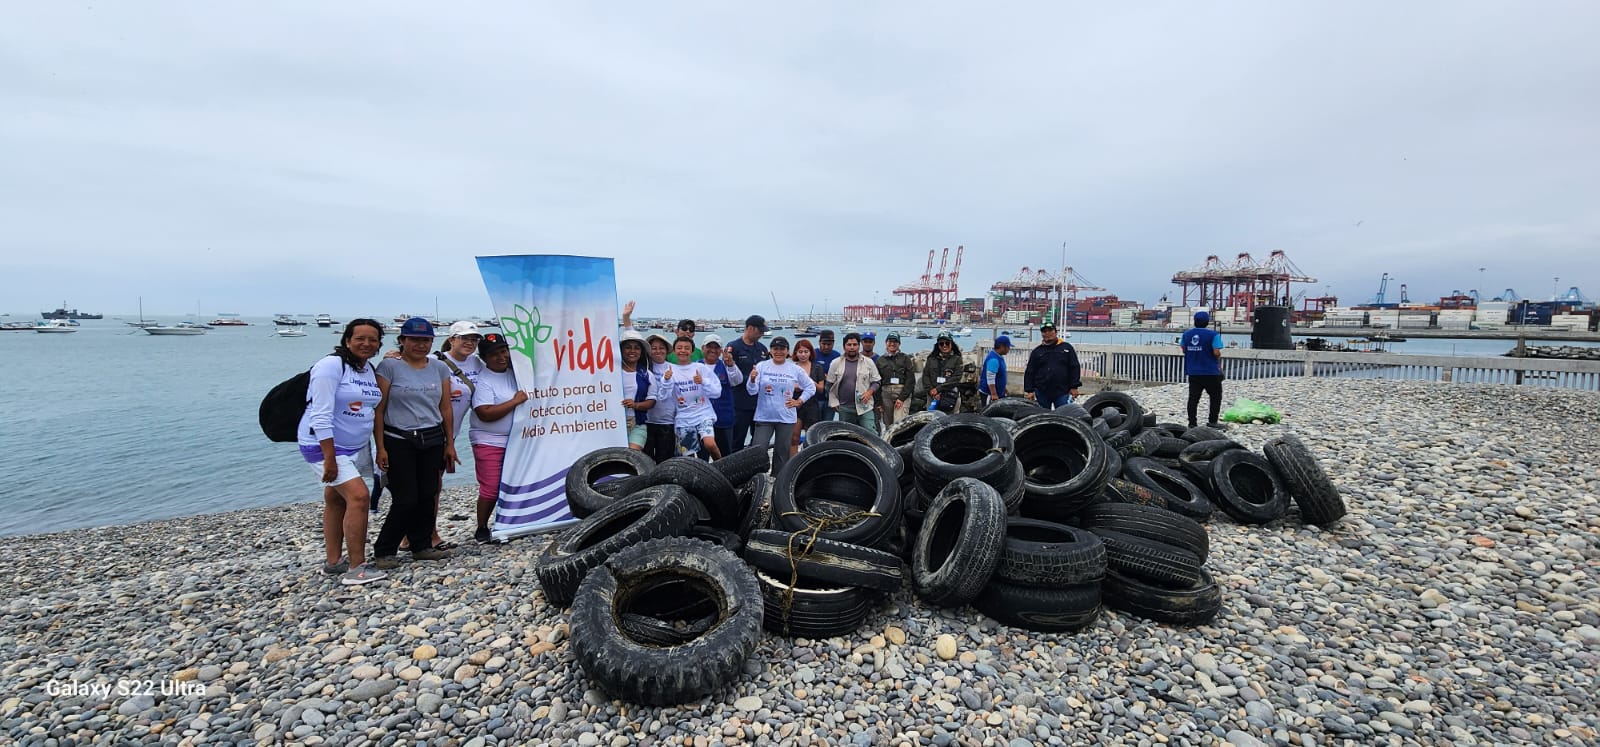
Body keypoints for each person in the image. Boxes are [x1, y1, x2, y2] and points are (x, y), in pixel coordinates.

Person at [299, 318, 387, 585]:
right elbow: (320, 415)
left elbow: (371, 411)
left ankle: (333, 562)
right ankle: (357, 568)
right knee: (359, 497)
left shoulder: (367, 369)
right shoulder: (330, 366)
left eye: (373, 340)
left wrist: (378, 448)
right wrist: (328, 458)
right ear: (347, 340)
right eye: (360, 338)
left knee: (336, 499)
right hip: (324, 444)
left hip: (355, 446)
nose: (366, 344)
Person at [373, 318, 457, 568]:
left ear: (432, 341)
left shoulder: (439, 368)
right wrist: (380, 447)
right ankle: (385, 549)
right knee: (405, 498)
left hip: (432, 438)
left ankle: (421, 546)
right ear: (402, 341)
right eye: (415, 340)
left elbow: (445, 407)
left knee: (427, 495)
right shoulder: (389, 366)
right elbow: (379, 409)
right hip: (399, 439)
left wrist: (449, 443)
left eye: (426, 340)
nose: (420, 345)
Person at [468, 333, 523, 543]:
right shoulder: (484, 380)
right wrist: (514, 402)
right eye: (494, 354)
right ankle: (481, 526)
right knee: (490, 489)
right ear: (484, 358)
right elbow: (485, 413)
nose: (501, 357)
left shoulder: (516, 373)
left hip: (517, 440)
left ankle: (508, 522)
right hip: (488, 440)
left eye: (503, 351)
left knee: (513, 484)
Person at [747, 336, 815, 477]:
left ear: (788, 351)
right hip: (764, 416)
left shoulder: (794, 369)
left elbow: (810, 387)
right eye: (775, 349)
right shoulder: (761, 366)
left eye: (782, 349)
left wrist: (799, 401)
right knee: (758, 450)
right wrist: (752, 379)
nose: (779, 352)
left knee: (782, 452)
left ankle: (777, 480)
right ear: (770, 351)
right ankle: (756, 479)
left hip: (786, 417)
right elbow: (751, 391)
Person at [661, 336, 723, 458]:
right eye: (679, 348)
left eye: (686, 348)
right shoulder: (670, 370)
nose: (683, 351)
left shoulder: (700, 368)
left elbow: (717, 392)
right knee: (688, 454)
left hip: (703, 413)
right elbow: (663, 397)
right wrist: (666, 380)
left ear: (692, 351)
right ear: (674, 350)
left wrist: (703, 381)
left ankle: (723, 468)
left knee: (710, 444)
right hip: (684, 417)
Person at [726, 315, 770, 453]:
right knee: (737, 439)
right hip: (740, 402)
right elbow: (730, 374)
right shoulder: (734, 347)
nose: (762, 334)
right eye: (760, 331)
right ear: (750, 328)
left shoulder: (762, 349)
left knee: (758, 440)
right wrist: (751, 380)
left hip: (759, 402)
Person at [825, 332, 882, 432]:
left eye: (855, 345)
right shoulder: (836, 363)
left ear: (859, 346)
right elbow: (829, 385)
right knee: (846, 436)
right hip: (844, 408)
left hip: (865, 407)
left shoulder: (868, 362)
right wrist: (834, 402)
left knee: (871, 433)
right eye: (849, 345)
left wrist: (869, 392)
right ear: (844, 347)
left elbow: (876, 381)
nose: (852, 347)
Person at [701, 334, 743, 459]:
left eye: (716, 347)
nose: (713, 350)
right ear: (703, 348)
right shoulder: (696, 366)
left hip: (723, 418)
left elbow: (737, 381)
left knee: (725, 455)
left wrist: (731, 364)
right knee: (701, 456)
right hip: (701, 419)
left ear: (721, 350)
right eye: (709, 347)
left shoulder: (726, 366)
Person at [1022, 323, 1082, 409]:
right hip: (1041, 391)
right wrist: (1029, 390)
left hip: (1063, 391)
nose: (1047, 333)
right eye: (1044, 331)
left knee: (1063, 415)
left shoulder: (1067, 348)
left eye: (1050, 331)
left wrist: (1074, 386)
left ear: (1055, 332)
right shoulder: (1037, 351)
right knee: (1043, 416)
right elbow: (1030, 372)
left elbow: (1074, 367)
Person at [1183, 311, 1226, 427]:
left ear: (1194, 321)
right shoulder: (1213, 335)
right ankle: (1212, 421)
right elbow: (1216, 352)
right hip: (1210, 371)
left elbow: (1183, 349)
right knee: (1215, 396)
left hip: (1193, 371)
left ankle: (1192, 423)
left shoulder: (1186, 334)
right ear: (1207, 322)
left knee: (1193, 398)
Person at [642, 333, 678, 462]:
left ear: (667, 350)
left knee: (665, 461)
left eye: (661, 348)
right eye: (654, 348)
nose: (658, 351)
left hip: (667, 422)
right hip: (646, 422)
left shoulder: (674, 368)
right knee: (646, 461)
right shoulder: (643, 368)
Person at [617, 330, 656, 451]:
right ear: (621, 350)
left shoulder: (647, 375)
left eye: (637, 348)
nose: (632, 351)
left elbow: (652, 401)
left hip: (637, 424)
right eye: (628, 347)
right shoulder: (611, 373)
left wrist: (636, 405)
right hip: (614, 424)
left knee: (632, 456)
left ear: (641, 351)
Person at [912, 331, 965, 413]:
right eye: (941, 344)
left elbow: (956, 378)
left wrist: (938, 389)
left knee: (951, 422)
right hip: (933, 396)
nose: (944, 346)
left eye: (947, 343)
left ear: (951, 344)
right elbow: (926, 376)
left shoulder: (957, 359)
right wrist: (931, 391)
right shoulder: (931, 359)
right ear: (938, 345)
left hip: (950, 396)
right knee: (931, 421)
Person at [789, 338, 826, 454]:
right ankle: (793, 463)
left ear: (810, 353)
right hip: (795, 405)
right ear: (795, 353)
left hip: (812, 406)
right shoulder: (791, 368)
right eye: (800, 352)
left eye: (806, 351)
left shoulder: (817, 368)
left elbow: (821, 389)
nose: (803, 354)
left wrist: (809, 383)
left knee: (812, 439)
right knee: (794, 438)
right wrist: (796, 386)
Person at [875, 332, 916, 431]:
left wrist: (901, 398)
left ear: (899, 344)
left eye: (895, 341)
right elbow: (877, 382)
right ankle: (889, 445)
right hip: (886, 394)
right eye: (890, 341)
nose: (892, 344)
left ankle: (899, 444)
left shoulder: (905, 358)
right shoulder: (880, 360)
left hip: (902, 392)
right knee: (888, 424)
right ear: (886, 343)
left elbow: (911, 380)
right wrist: (878, 402)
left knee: (899, 423)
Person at [814, 330, 841, 423]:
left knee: (827, 425)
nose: (826, 346)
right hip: (815, 399)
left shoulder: (837, 356)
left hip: (830, 399)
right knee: (813, 426)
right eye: (823, 343)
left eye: (829, 344)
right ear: (819, 342)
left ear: (833, 343)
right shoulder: (813, 354)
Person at [982, 335, 1012, 405]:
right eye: (1008, 347)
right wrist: (994, 394)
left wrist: (1003, 388)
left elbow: (999, 375)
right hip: (990, 394)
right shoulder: (994, 359)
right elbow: (990, 378)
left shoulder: (999, 357)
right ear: (1002, 347)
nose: (1009, 349)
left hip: (999, 393)